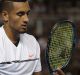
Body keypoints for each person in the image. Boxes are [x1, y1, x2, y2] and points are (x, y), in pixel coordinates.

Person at [0, 0, 42, 75]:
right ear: (5, 16)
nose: (26, 19)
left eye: (27, 14)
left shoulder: (32, 41)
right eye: (20, 14)